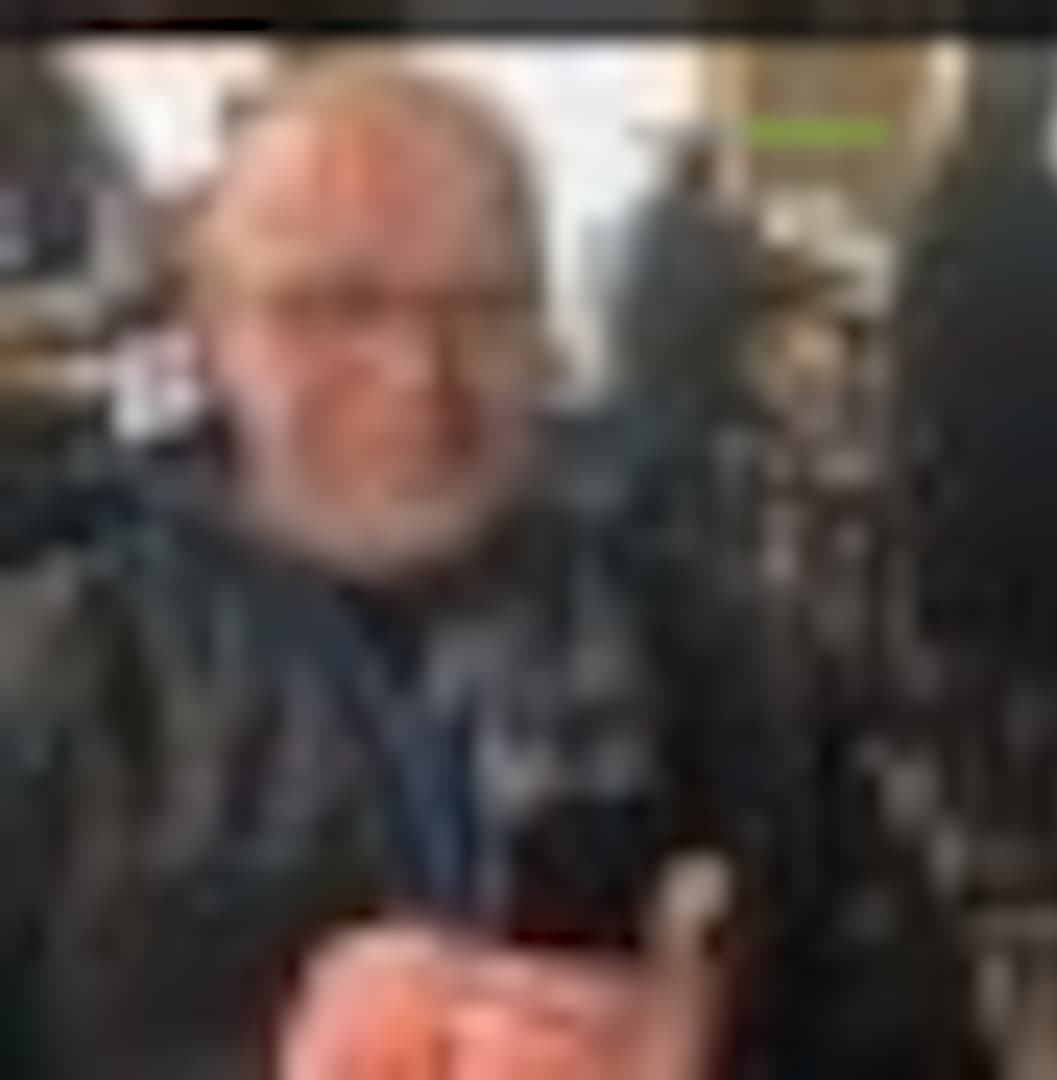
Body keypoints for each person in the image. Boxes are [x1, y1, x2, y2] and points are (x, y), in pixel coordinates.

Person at [0, 61, 779, 1080]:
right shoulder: (46, 679)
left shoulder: (726, 664)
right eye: (329, 308)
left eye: (484, 308)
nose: (420, 379)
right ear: (211, 336)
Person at [611, 132, 758, 433]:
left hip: (641, 377)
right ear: (708, 173)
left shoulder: (645, 218)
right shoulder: (710, 228)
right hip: (688, 381)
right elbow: (731, 294)